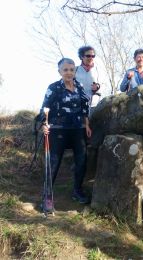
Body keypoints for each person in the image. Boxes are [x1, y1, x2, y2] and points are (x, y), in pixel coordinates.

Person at [41, 58, 92, 206]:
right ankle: (47, 195)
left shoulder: (80, 86)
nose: (69, 72)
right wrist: (44, 124)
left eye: (71, 69)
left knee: (82, 160)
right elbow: (45, 108)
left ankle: (77, 190)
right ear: (60, 72)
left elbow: (84, 106)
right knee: (54, 162)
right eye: (65, 70)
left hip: (77, 129)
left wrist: (87, 125)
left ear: (75, 71)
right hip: (57, 130)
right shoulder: (54, 87)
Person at [75, 45, 103, 112]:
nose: (91, 58)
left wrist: (98, 87)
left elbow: (104, 85)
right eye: (88, 56)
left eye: (93, 56)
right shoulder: (74, 70)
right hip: (77, 106)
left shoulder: (99, 70)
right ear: (81, 56)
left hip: (95, 106)